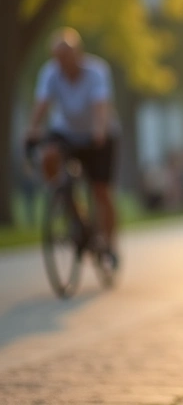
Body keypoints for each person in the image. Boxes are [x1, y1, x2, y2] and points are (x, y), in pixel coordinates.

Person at [25, 27, 122, 265]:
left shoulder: (96, 71)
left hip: (98, 135)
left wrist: (98, 130)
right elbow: (42, 103)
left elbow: (101, 104)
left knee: (101, 190)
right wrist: (32, 129)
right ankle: (66, 203)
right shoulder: (50, 73)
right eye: (57, 58)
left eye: (66, 57)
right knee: (49, 155)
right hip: (66, 132)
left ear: (78, 53)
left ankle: (109, 244)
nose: (62, 63)